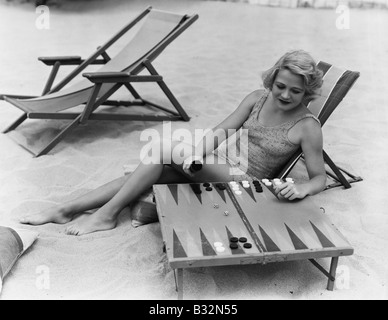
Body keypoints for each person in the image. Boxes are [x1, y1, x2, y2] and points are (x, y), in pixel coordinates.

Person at [19, 49, 327, 236]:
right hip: (219, 164)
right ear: (271, 80)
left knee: (163, 149)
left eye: (295, 92)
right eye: (280, 87)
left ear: (307, 92)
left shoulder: (307, 126)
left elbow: (319, 178)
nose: (285, 95)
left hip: (246, 183)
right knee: (148, 171)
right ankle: (66, 209)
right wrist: (196, 155)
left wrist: (302, 187)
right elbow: (220, 131)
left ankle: (106, 216)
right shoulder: (257, 99)